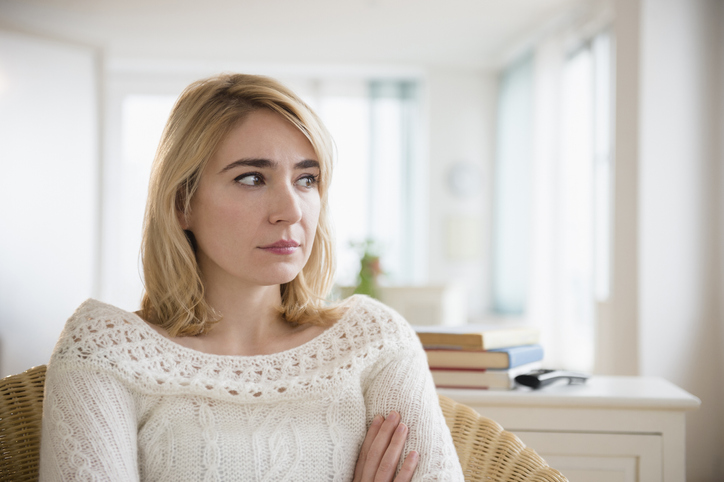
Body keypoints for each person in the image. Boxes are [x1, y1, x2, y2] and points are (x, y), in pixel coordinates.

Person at [38, 73, 464, 481]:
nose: (292, 210)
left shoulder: (375, 340)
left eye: (307, 179)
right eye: (252, 178)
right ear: (183, 203)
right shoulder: (104, 349)